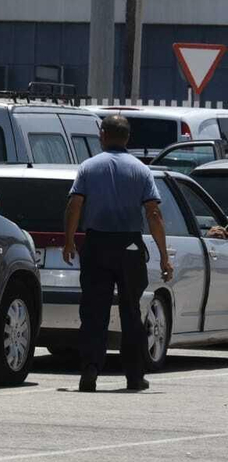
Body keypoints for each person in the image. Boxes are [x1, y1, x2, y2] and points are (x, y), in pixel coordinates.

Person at [62, 114, 169, 393]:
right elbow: (154, 213)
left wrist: (70, 241)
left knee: (93, 310)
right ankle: (134, 376)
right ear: (127, 138)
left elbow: (75, 205)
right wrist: (164, 255)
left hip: (96, 244)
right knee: (131, 311)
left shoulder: (88, 167)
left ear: (103, 135)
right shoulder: (141, 170)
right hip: (130, 247)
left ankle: (90, 369)